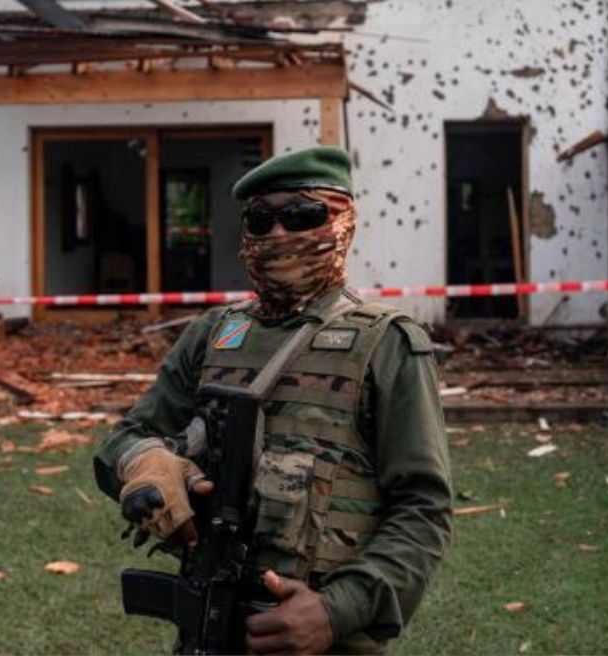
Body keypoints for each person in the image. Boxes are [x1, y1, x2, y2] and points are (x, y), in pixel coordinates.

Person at [94, 145, 453, 655]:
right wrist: (145, 463)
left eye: (303, 216)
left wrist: (336, 611)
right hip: (207, 627)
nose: (279, 234)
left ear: (343, 221)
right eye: (261, 221)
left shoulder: (387, 343)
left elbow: (424, 507)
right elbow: (123, 441)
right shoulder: (213, 334)